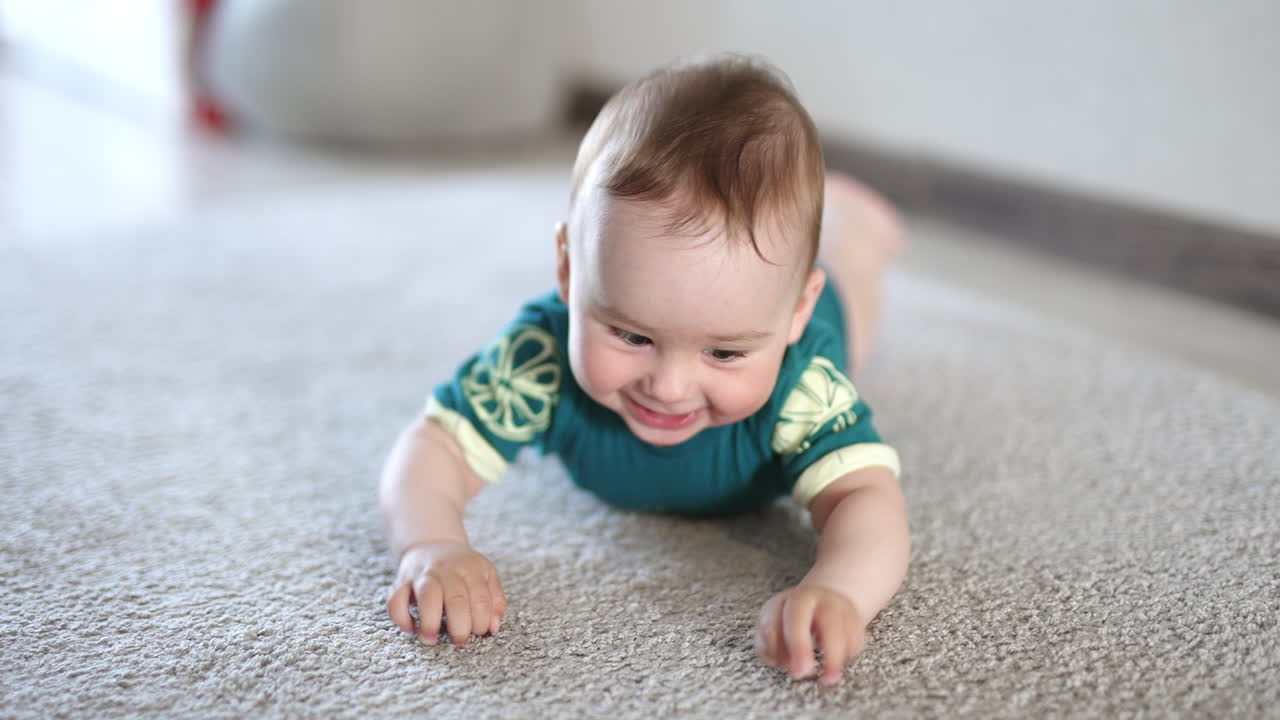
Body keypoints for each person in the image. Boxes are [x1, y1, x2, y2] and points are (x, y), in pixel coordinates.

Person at [379, 53, 908, 686]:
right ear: (570, 270)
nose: (669, 385)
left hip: (827, 317)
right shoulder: (541, 359)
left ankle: (854, 230)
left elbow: (869, 499)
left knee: (856, 287)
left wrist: (841, 590)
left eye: (724, 352)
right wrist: (431, 544)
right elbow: (433, 446)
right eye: (631, 334)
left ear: (794, 312)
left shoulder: (803, 383)